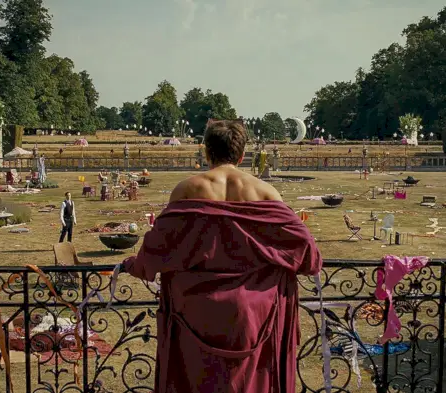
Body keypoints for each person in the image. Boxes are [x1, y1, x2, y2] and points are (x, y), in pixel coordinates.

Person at [120, 119, 322, 393]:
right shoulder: (266, 193)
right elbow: (308, 256)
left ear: (206, 152)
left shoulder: (187, 190)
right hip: (254, 317)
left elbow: (155, 250)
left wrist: (132, 266)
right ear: (241, 155)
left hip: (193, 312)